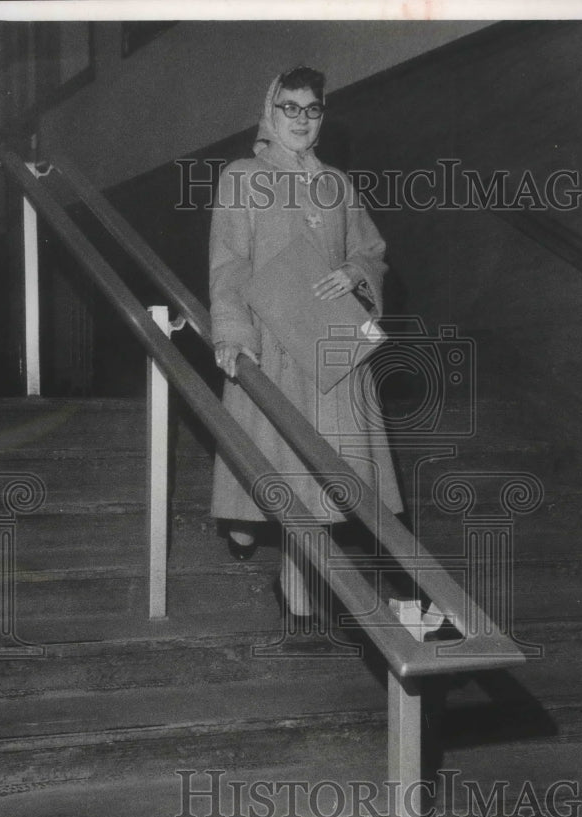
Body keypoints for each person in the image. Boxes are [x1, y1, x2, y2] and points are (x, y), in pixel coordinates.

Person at [210, 66, 403, 623]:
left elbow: (372, 250)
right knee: (280, 462)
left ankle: (287, 570)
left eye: (312, 109)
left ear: (323, 116)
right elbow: (229, 263)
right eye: (289, 108)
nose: (301, 119)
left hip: (331, 342)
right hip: (273, 342)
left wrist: (354, 273)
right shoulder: (242, 177)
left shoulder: (337, 184)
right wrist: (233, 332)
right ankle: (260, 542)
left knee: (320, 473)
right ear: (270, 112)